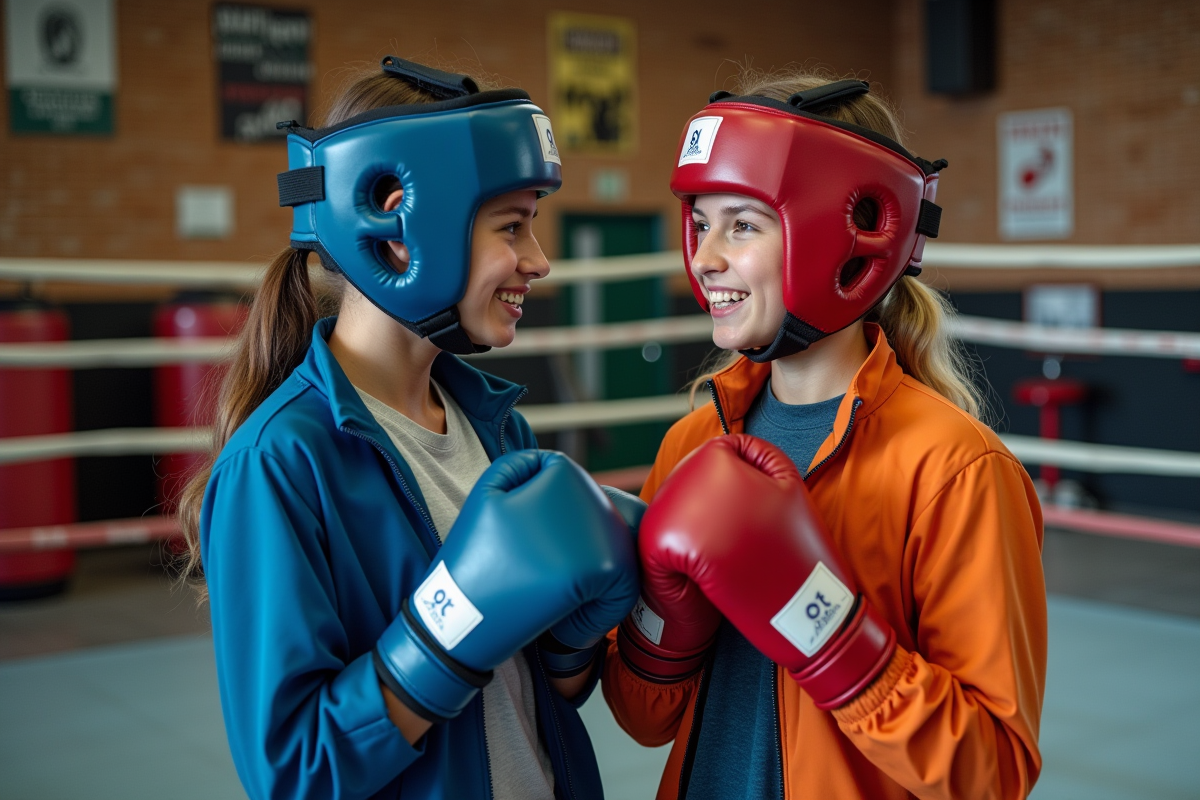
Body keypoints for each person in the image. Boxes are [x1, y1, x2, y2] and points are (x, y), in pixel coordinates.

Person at [177, 57, 639, 800]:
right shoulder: (282, 462)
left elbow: (537, 698)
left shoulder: (497, 427)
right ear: (397, 225)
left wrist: (581, 630)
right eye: (512, 226)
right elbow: (295, 770)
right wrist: (445, 631)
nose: (538, 261)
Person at [602, 68, 1047, 800]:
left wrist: (832, 636)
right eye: (702, 221)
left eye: (742, 225)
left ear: (846, 233)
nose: (706, 257)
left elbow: (991, 772)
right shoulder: (693, 443)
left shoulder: (954, 470)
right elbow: (644, 717)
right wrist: (663, 632)